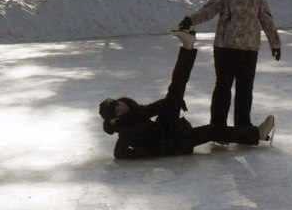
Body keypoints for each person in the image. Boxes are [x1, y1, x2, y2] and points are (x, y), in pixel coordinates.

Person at [99, 31, 275, 160]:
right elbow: (119, 154)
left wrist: (173, 101)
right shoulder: (125, 132)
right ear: (116, 118)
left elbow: (154, 108)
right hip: (174, 142)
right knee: (213, 130)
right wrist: (151, 151)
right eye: (117, 110)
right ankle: (257, 134)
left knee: (176, 88)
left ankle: (187, 47)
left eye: (117, 103)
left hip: (165, 127)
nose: (121, 106)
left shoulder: (133, 111)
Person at [173, 0, 281, 135]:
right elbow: (210, 9)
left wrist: (275, 42)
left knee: (245, 89)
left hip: (249, 47)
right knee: (223, 87)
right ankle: (218, 127)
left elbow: (264, 16)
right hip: (225, 46)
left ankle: (243, 127)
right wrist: (190, 20)